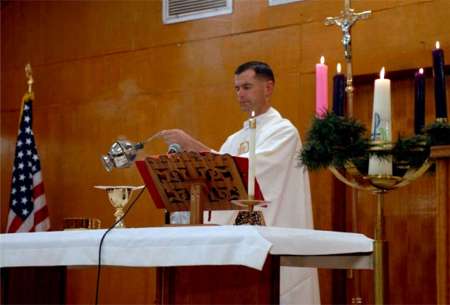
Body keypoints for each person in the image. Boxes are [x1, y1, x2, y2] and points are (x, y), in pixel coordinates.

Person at [159, 61, 320, 304]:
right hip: (234, 247)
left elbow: (247, 170)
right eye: (236, 88)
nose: (240, 94)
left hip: (272, 242)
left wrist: (194, 146)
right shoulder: (235, 139)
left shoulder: (284, 131)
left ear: (268, 87)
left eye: (246, 87)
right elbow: (218, 175)